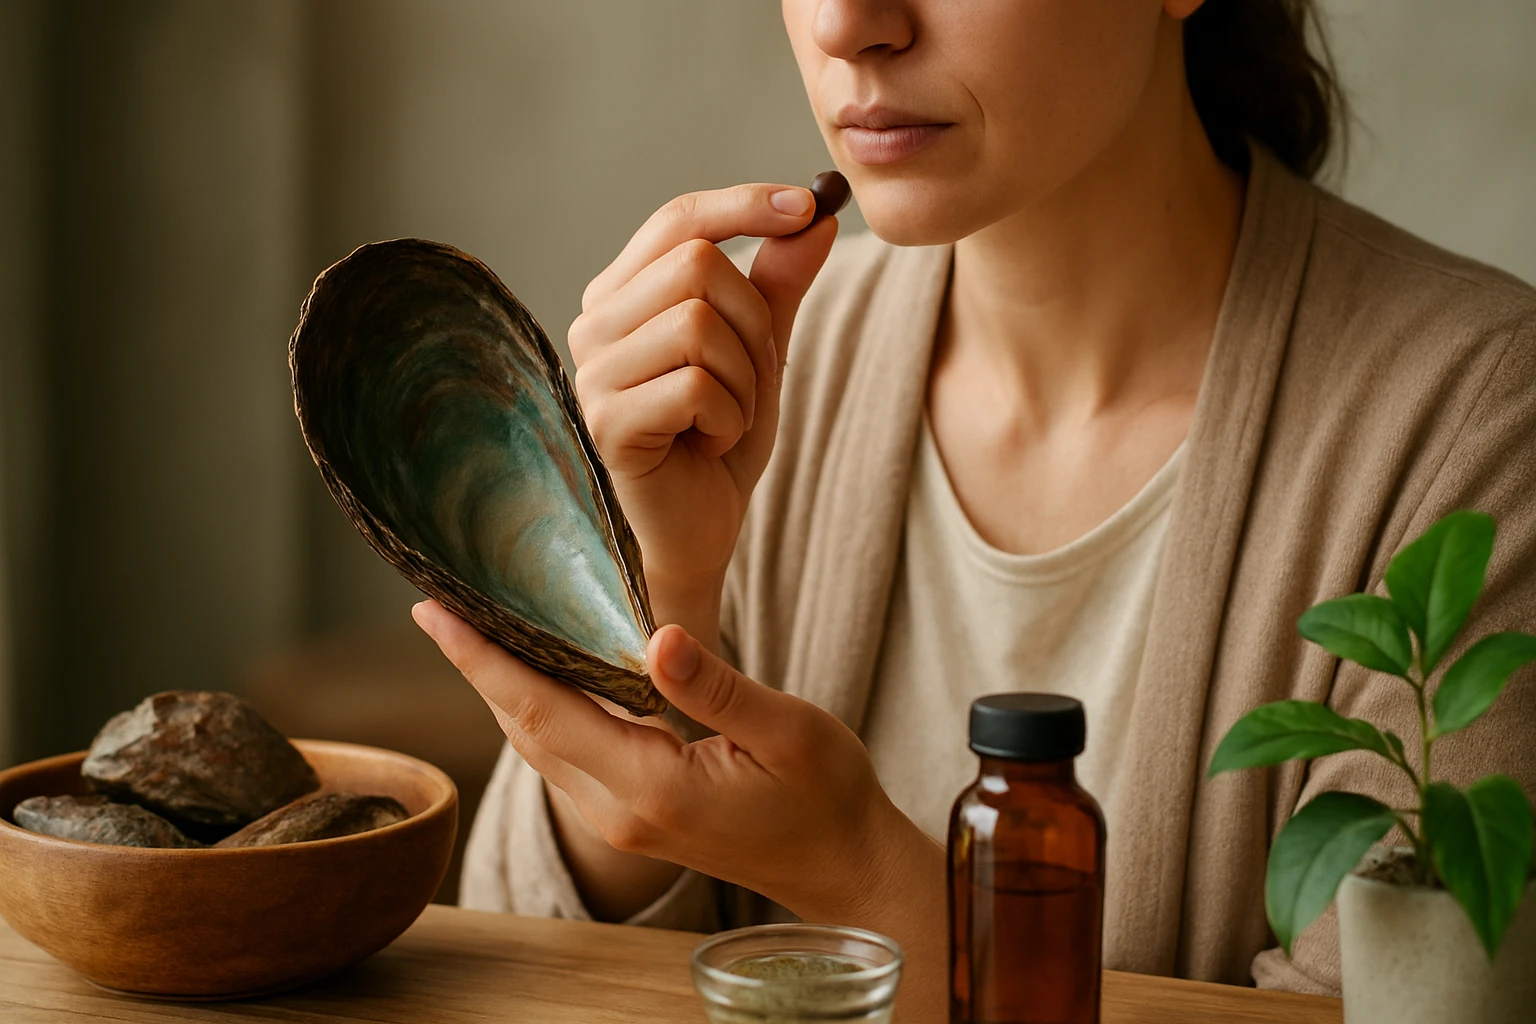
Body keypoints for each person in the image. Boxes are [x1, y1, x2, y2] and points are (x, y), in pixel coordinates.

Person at [414, 1, 1536, 1018]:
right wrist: (658, 586)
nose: (851, 24)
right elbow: (527, 955)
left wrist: (858, 871)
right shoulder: (749, 371)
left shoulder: (1480, 426)